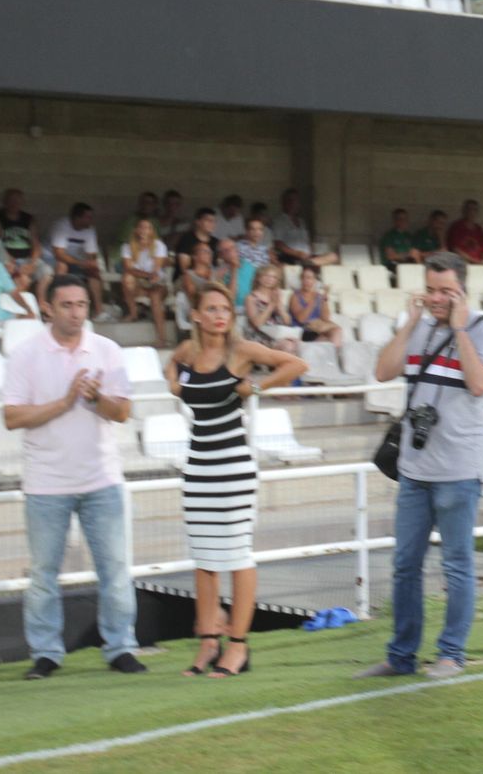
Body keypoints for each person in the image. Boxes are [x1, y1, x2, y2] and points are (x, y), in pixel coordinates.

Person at [356, 252, 483, 682]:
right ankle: (400, 656)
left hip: (460, 469)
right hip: (415, 469)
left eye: (445, 291)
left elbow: (479, 383)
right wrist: (409, 322)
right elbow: (384, 371)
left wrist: (457, 328)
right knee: (405, 564)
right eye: (431, 289)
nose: (436, 298)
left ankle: (451, 654)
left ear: (462, 290)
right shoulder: (418, 328)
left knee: (456, 565)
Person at [3, 275, 146, 679]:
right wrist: (66, 401)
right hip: (46, 483)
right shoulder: (25, 354)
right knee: (43, 575)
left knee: (115, 571)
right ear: (47, 308)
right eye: (66, 304)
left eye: (81, 304)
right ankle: (46, 653)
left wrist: (95, 398)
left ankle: (121, 647)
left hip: (102, 479)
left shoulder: (107, 350)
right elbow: (12, 417)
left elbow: (121, 412)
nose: (75, 312)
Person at [166, 282, 306, 678]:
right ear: (195, 315)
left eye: (224, 308)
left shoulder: (241, 350)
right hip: (198, 467)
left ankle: (239, 646)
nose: (219, 315)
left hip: (232, 466)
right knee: (204, 557)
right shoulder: (188, 351)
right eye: (210, 309)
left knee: (236, 554)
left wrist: (254, 387)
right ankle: (209, 640)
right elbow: (171, 368)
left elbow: (296, 365)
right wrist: (173, 384)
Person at [45, 203, 109, 320]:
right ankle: (58, 305)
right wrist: (82, 263)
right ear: (77, 218)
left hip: (76, 261)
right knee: (62, 266)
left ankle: (99, 311)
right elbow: (59, 254)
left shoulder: (90, 230)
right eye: (88, 217)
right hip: (51, 259)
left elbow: (91, 254)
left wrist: (91, 265)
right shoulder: (61, 226)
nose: (91, 220)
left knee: (93, 272)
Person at [120, 218, 171, 345]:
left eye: (148, 228)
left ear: (152, 231)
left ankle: (162, 338)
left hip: (157, 284)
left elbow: (157, 269)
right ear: (136, 230)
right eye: (141, 227)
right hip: (140, 284)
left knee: (155, 297)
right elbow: (128, 269)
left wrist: (148, 276)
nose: (144, 231)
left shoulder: (159, 245)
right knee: (127, 278)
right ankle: (133, 313)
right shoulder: (127, 247)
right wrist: (147, 275)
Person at [243, 264, 298, 354]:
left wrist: (279, 306)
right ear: (259, 278)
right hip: (259, 336)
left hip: (277, 334)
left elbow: (287, 322)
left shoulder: (276, 295)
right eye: (266, 276)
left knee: (294, 344)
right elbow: (257, 324)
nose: (270, 279)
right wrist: (271, 305)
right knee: (288, 346)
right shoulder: (251, 298)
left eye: (273, 277)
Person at [288, 266, 342, 345]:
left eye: (309, 278)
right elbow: (301, 319)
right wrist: (313, 300)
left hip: (316, 332)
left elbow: (325, 318)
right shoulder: (295, 296)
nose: (306, 280)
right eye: (303, 277)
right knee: (332, 331)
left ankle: (334, 355)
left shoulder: (318, 296)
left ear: (315, 280)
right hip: (302, 331)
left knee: (335, 332)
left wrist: (324, 300)